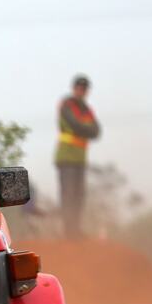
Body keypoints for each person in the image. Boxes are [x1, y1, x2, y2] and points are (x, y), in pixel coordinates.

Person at [54, 75, 101, 239]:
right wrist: (84, 128)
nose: (82, 91)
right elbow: (75, 124)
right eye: (79, 88)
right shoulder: (67, 104)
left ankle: (76, 229)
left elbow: (96, 131)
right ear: (74, 88)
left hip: (80, 159)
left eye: (85, 88)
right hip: (66, 157)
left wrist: (83, 128)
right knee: (68, 194)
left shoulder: (87, 109)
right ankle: (68, 231)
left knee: (79, 195)